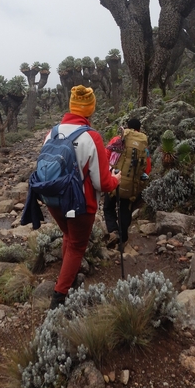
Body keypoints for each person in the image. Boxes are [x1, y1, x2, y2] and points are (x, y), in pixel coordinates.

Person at [43, 85, 121, 309]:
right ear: (90, 109)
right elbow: (102, 183)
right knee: (77, 245)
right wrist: (117, 179)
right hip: (80, 203)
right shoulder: (91, 137)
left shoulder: (53, 132)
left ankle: (66, 277)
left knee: (68, 235)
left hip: (53, 199)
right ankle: (59, 297)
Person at [103, 118, 151, 247]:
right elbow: (147, 169)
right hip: (131, 186)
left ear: (127, 127)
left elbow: (105, 158)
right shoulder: (143, 146)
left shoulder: (117, 140)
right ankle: (123, 238)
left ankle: (113, 231)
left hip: (114, 182)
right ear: (139, 129)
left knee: (108, 208)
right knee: (125, 210)